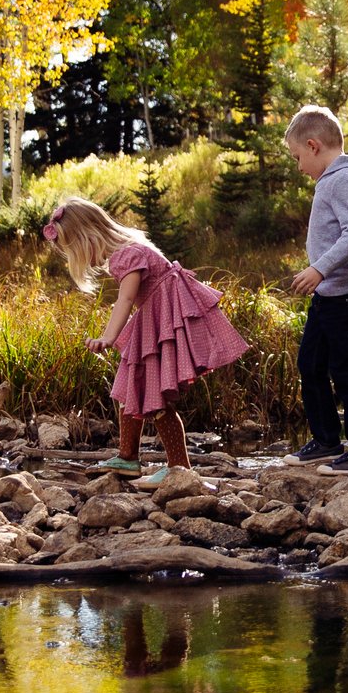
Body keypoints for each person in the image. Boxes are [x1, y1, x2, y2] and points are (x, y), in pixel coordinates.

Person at [44, 195, 250, 485]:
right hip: (156, 318)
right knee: (132, 386)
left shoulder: (125, 255)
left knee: (155, 397)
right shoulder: (131, 247)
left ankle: (180, 467)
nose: (82, 259)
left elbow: (126, 298)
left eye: (75, 250)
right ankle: (127, 457)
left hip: (164, 319)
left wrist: (108, 337)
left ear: (88, 237)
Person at [284, 104, 348, 473]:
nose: (298, 167)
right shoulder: (334, 178)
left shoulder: (341, 180)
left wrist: (319, 269)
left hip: (346, 296)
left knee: (345, 371)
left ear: (313, 146)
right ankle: (326, 440)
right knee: (310, 364)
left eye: (297, 158)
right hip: (330, 295)